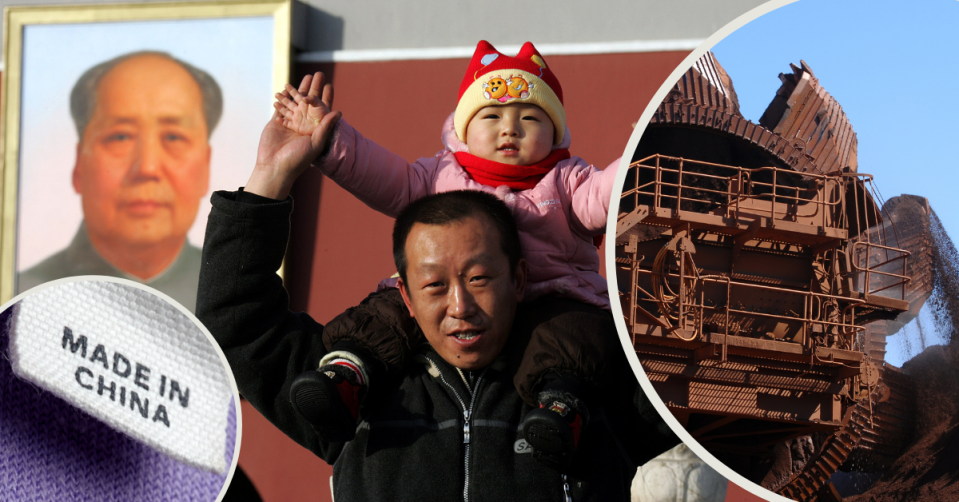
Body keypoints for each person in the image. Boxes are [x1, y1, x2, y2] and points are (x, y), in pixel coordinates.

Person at [198, 181, 677, 499]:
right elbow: (238, 322)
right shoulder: (351, 391)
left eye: (480, 278)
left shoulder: (590, 385)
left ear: (519, 279)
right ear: (404, 294)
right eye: (434, 286)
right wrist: (267, 183)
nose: (460, 305)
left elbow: (714, 368)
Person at [272, 40, 619, 468]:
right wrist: (330, 142)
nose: (510, 130)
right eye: (491, 117)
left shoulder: (568, 179)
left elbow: (607, 195)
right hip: (454, 298)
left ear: (556, 132)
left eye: (530, 118)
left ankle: (561, 409)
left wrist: (639, 158)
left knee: (576, 337)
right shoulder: (440, 174)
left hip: (550, 298)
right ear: (462, 128)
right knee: (388, 312)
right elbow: (384, 176)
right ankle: (347, 375)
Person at [17, 51, 221, 312]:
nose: (147, 167)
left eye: (173, 138)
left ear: (205, 166)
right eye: (120, 138)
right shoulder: (24, 299)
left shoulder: (234, 302)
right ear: (80, 165)